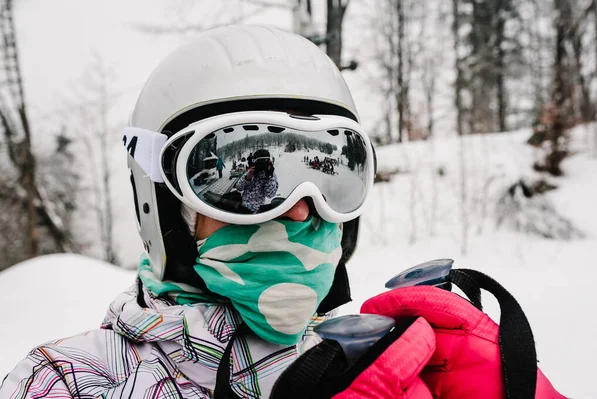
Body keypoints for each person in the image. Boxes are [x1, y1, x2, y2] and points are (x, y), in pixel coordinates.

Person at [0, 25, 373, 398]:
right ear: (163, 205)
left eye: (329, 174)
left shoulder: (372, 367)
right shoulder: (67, 383)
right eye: (251, 158)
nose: (300, 212)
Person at [234, 148, 278, 214]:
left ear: (269, 162)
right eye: (259, 162)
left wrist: (269, 176)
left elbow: (270, 194)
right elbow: (238, 187)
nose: (262, 164)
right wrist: (247, 178)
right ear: (255, 162)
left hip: (257, 212)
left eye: (264, 161)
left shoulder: (270, 174)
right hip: (243, 207)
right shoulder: (252, 171)